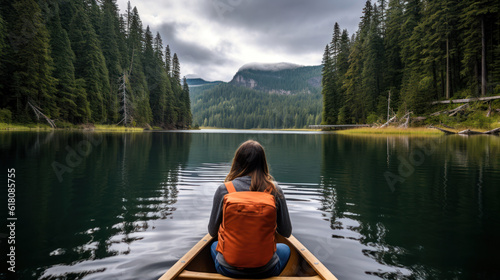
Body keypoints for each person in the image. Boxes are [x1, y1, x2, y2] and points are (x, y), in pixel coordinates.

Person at [208, 140, 292, 278]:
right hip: (266, 270)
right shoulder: (275, 190)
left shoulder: (224, 190)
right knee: (286, 249)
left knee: (214, 245)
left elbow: (212, 232)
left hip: (228, 269)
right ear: (263, 163)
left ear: (237, 162)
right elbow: (286, 232)